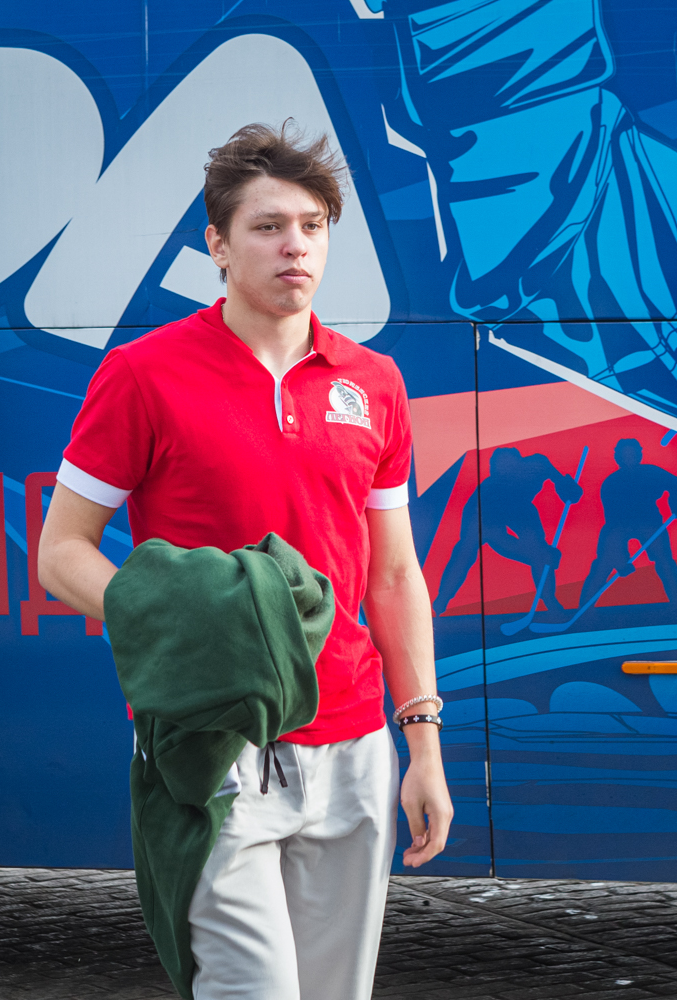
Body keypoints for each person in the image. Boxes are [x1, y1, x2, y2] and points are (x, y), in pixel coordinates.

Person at [37, 122, 452, 1000]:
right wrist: (177, 625)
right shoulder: (143, 374)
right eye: (268, 226)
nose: (295, 244)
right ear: (218, 246)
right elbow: (61, 551)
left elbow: (392, 576)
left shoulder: (374, 381)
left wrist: (423, 743)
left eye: (312, 225)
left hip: (354, 742)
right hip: (209, 740)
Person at [432, 447, 584, 615]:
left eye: (509, 470)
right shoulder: (487, 492)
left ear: (519, 464)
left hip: (520, 507)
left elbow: (566, 488)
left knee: (540, 549)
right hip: (488, 514)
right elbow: (501, 541)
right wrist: (537, 554)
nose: (502, 474)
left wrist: (569, 489)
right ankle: (443, 599)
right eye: (498, 471)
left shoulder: (538, 465)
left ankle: (549, 599)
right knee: (465, 551)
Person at [578, 438, 677, 606]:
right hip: (620, 525)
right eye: (625, 455)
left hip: (649, 522)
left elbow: (673, 483)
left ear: (639, 455)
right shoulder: (611, 483)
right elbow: (612, 524)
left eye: (632, 454)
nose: (629, 458)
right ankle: (585, 609)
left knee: (665, 561)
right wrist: (619, 561)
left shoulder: (652, 472)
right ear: (618, 457)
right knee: (604, 561)